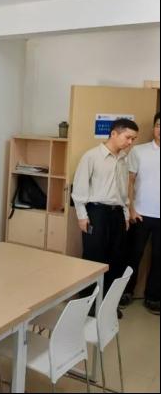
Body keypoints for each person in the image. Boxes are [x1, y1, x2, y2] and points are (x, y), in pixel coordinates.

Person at [72, 118, 138, 304]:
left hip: (117, 214)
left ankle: (106, 306)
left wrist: (125, 215)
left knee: (116, 259)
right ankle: (87, 304)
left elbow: (123, 192)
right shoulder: (91, 157)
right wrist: (82, 216)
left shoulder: (124, 159)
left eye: (133, 139)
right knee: (93, 258)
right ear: (114, 134)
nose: (130, 142)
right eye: (128, 137)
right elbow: (79, 189)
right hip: (96, 213)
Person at [121, 112, 160, 315]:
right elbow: (130, 181)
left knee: (159, 258)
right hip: (140, 213)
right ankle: (126, 292)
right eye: (158, 125)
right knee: (133, 255)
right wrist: (131, 208)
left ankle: (153, 297)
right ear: (153, 127)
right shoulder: (139, 151)